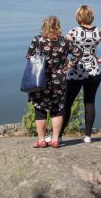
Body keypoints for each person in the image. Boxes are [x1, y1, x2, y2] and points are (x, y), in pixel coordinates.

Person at [60, 5, 101, 143]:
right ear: (91, 16)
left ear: (78, 17)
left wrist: (66, 63)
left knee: (67, 103)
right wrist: (99, 61)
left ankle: (59, 135)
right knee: (90, 102)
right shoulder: (99, 32)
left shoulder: (73, 32)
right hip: (93, 71)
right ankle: (87, 136)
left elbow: (62, 50)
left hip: (76, 71)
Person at [26, 16, 82, 148]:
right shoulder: (65, 42)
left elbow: (28, 57)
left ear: (43, 26)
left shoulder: (37, 40)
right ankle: (55, 140)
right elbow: (78, 53)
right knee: (57, 110)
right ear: (58, 26)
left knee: (40, 110)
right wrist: (67, 67)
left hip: (40, 80)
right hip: (58, 80)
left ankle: (41, 140)